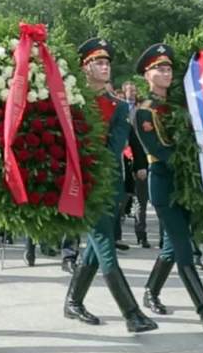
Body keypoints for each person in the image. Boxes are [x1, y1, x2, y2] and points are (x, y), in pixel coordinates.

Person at [62, 38, 159, 333]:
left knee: (94, 246)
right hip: (81, 185)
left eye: (107, 63)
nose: (104, 67)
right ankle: (131, 313)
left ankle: (73, 301)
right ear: (85, 67)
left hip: (106, 182)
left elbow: (114, 146)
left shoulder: (117, 107)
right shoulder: (72, 101)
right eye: (98, 62)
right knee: (104, 245)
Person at [135, 43, 203, 328]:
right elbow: (159, 150)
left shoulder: (181, 105)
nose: (165, 72)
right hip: (164, 184)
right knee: (184, 247)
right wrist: (194, 163)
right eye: (159, 68)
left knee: (173, 245)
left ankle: (150, 291)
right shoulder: (144, 112)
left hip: (187, 184)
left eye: (169, 67)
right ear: (147, 75)